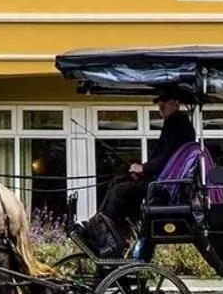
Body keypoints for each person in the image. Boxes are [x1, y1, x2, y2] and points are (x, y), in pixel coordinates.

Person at [82, 95, 196, 256]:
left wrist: (144, 168)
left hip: (165, 185)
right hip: (163, 179)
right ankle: (105, 229)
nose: (160, 111)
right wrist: (143, 171)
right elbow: (163, 157)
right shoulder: (177, 123)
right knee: (118, 180)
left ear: (175, 103)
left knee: (119, 190)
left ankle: (105, 236)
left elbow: (165, 157)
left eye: (162, 107)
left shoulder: (176, 124)